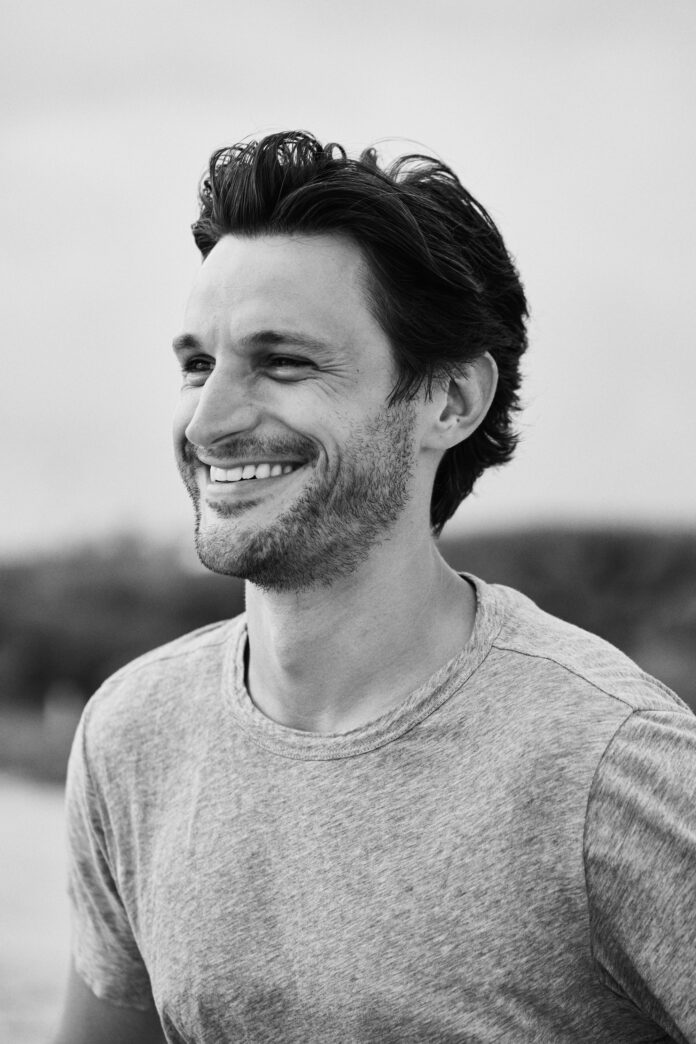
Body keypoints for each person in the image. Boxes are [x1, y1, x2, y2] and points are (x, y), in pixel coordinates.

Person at [55, 130, 696, 1044]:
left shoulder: (611, 768)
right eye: (197, 365)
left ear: (449, 399)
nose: (210, 418)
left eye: (283, 362)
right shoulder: (133, 735)